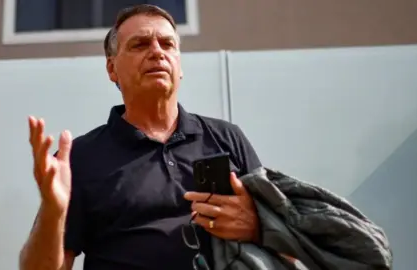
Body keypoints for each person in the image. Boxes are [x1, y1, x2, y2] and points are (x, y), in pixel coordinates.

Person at [19, 4, 262, 270]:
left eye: (167, 44)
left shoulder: (227, 138)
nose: (157, 52)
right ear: (112, 69)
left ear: (179, 65)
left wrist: (258, 227)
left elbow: (289, 251)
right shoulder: (78, 159)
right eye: (140, 44)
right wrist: (53, 213)